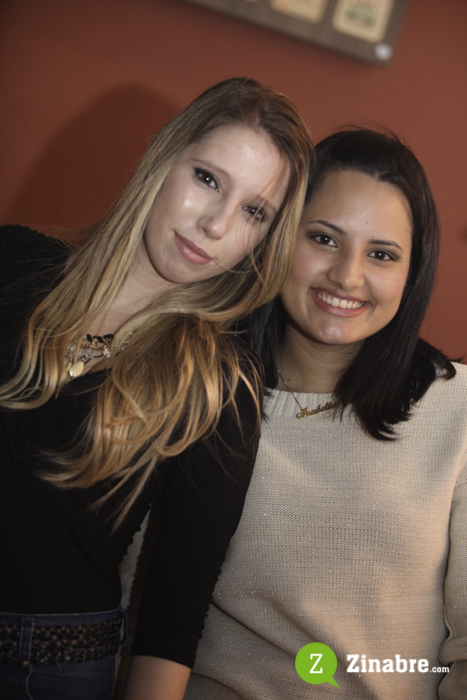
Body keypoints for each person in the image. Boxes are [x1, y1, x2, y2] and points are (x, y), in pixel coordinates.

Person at [0, 77, 314, 700]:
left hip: (48, 673)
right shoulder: (12, 262)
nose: (216, 224)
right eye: (208, 179)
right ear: (163, 160)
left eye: (254, 212)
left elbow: (176, 604)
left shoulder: (221, 386)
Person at [184, 129, 467, 699]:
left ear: (412, 274)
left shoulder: (457, 410)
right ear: (278, 239)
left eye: (381, 254)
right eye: (324, 239)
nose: (347, 276)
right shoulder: (196, 390)